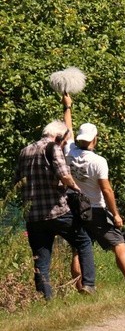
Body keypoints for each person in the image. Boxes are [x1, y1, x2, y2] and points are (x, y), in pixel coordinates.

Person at [14, 98, 96, 299]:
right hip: (57, 212)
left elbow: (17, 181)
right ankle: (89, 284)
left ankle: (45, 298)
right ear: (58, 137)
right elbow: (63, 174)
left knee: (41, 258)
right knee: (83, 241)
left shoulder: (24, 151)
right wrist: (76, 189)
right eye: (65, 140)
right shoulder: (53, 148)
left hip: (33, 216)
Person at [63, 103, 125, 284]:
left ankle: (80, 287)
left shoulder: (68, 151)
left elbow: (68, 129)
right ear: (94, 139)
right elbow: (106, 190)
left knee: (78, 248)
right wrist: (116, 214)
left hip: (74, 207)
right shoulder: (99, 161)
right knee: (118, 243)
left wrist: (67, 107)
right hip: (95, 209)